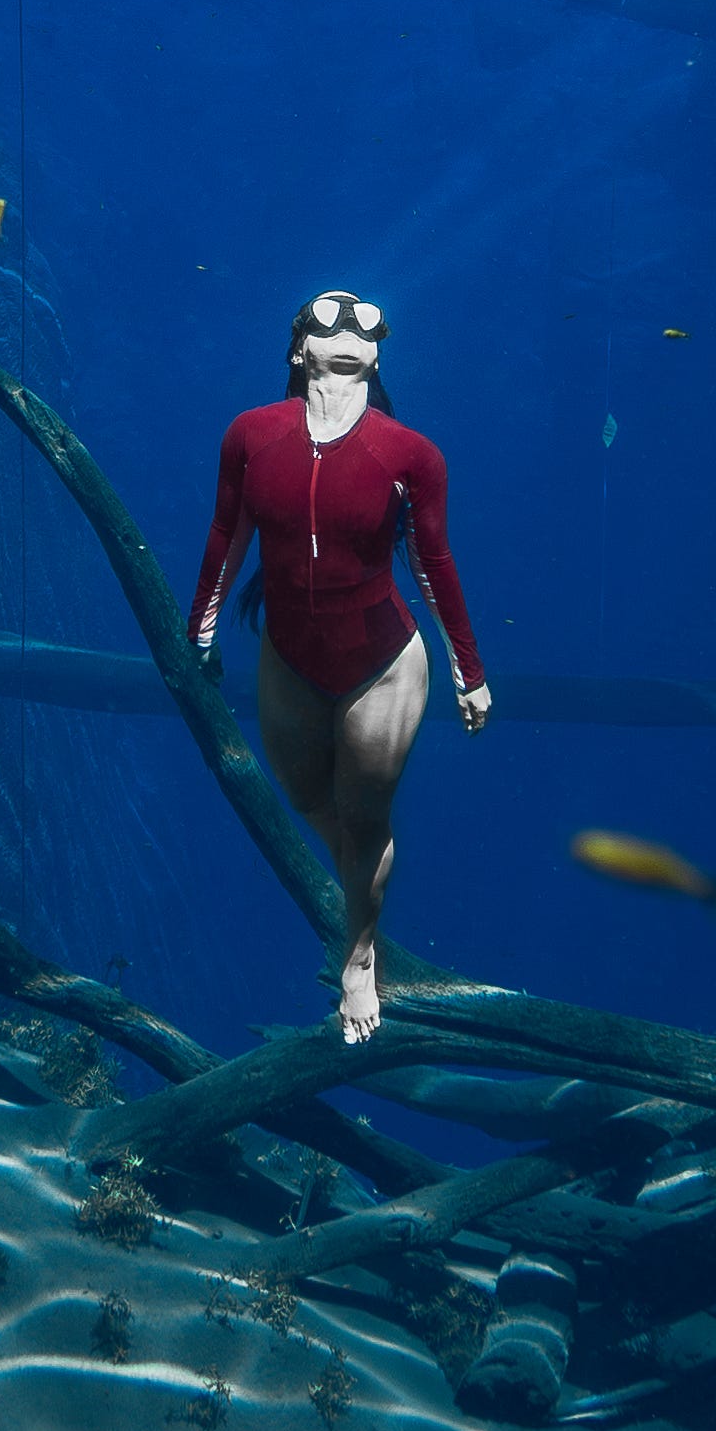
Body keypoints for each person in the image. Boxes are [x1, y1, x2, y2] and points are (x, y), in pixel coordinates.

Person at [188, 289, 491, 1041]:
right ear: (299, 349)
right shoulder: (251, 435)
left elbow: (432, 563)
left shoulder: (411, 454)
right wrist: (200, 629)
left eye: (365, 322)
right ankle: (361, 877)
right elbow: (227, 532)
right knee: (304, 795)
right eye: (330, 316)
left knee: (365, 816)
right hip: (290, 655)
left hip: (383, 662)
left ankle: (360, 956)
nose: (350, 327)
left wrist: (469, 669)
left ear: (379, 355)